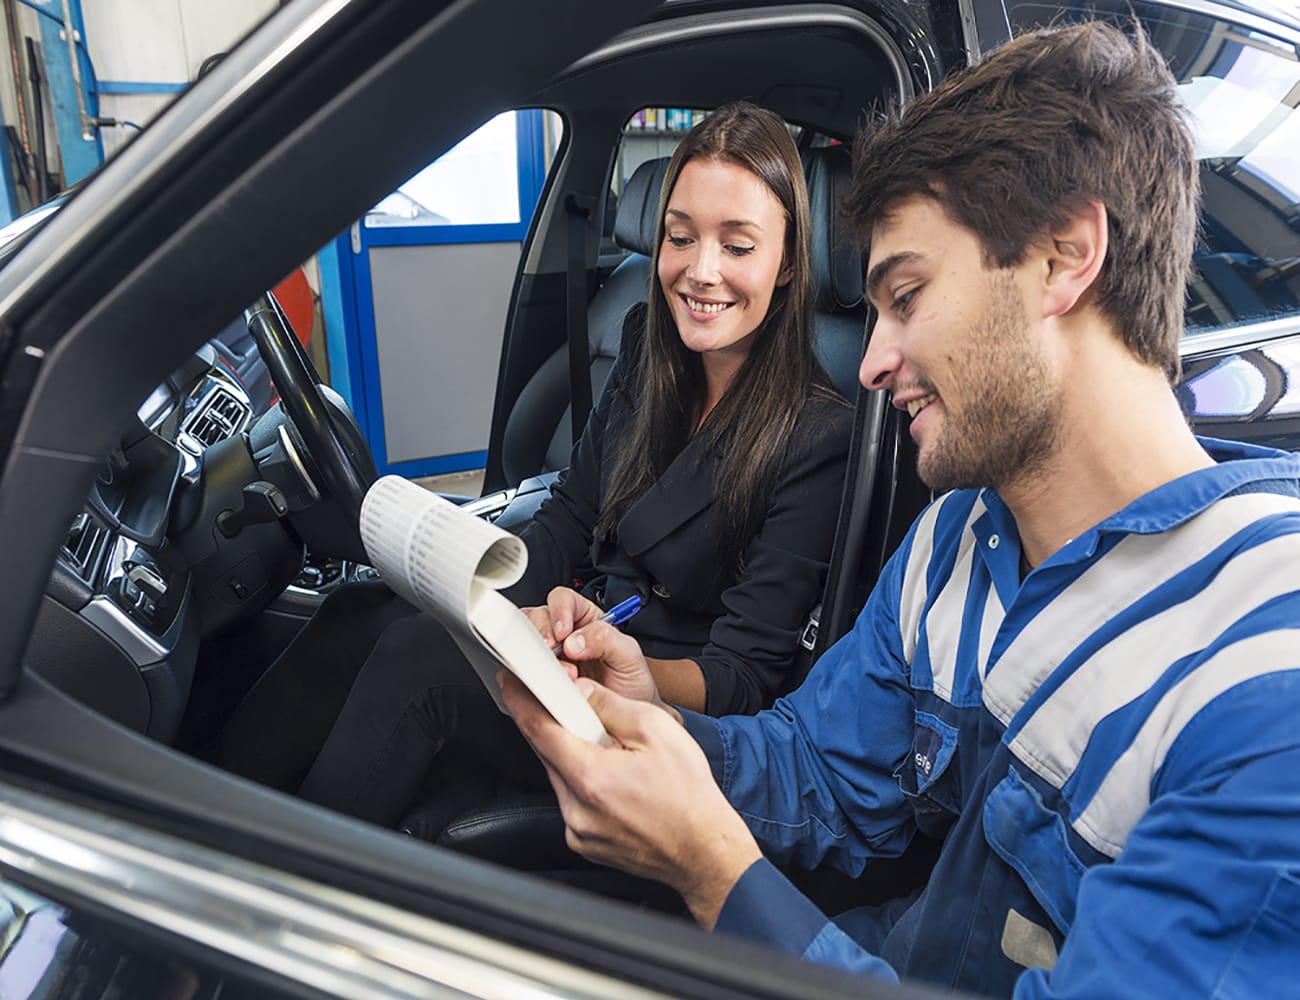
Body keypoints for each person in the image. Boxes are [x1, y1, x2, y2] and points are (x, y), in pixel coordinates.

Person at [500, 22, 1300, 997]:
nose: (874, 362)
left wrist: (717, 875)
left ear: (1064, 255)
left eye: (906, 296)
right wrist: (656, 729)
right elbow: (820, 771)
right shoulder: (951, 547)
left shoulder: (1261, 675)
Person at [211, 101, 853, 834]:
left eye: (738, 247)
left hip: (648, 706)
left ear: (791, 262)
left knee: (419, 661)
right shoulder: (649, 347)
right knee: (360, 609)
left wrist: (617, 661)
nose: (701, 272)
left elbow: (742, 679)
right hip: (573, 630)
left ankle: (281, 883)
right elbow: (571, 516)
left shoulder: (819, 434)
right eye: (680, 237)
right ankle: (204, 822)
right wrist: (464, 586)